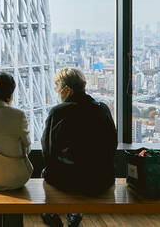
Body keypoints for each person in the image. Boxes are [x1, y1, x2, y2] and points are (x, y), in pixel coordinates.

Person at [40, 68, 117, 227]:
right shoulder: (102, 108)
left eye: (58, 90)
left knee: (46, 172)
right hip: (102, 180)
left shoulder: (58, 112)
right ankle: (75, 213)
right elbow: (112, 144)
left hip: (71, 181)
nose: (58, 94)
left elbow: (48, 151)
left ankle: (51, 212)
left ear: (67, 90)